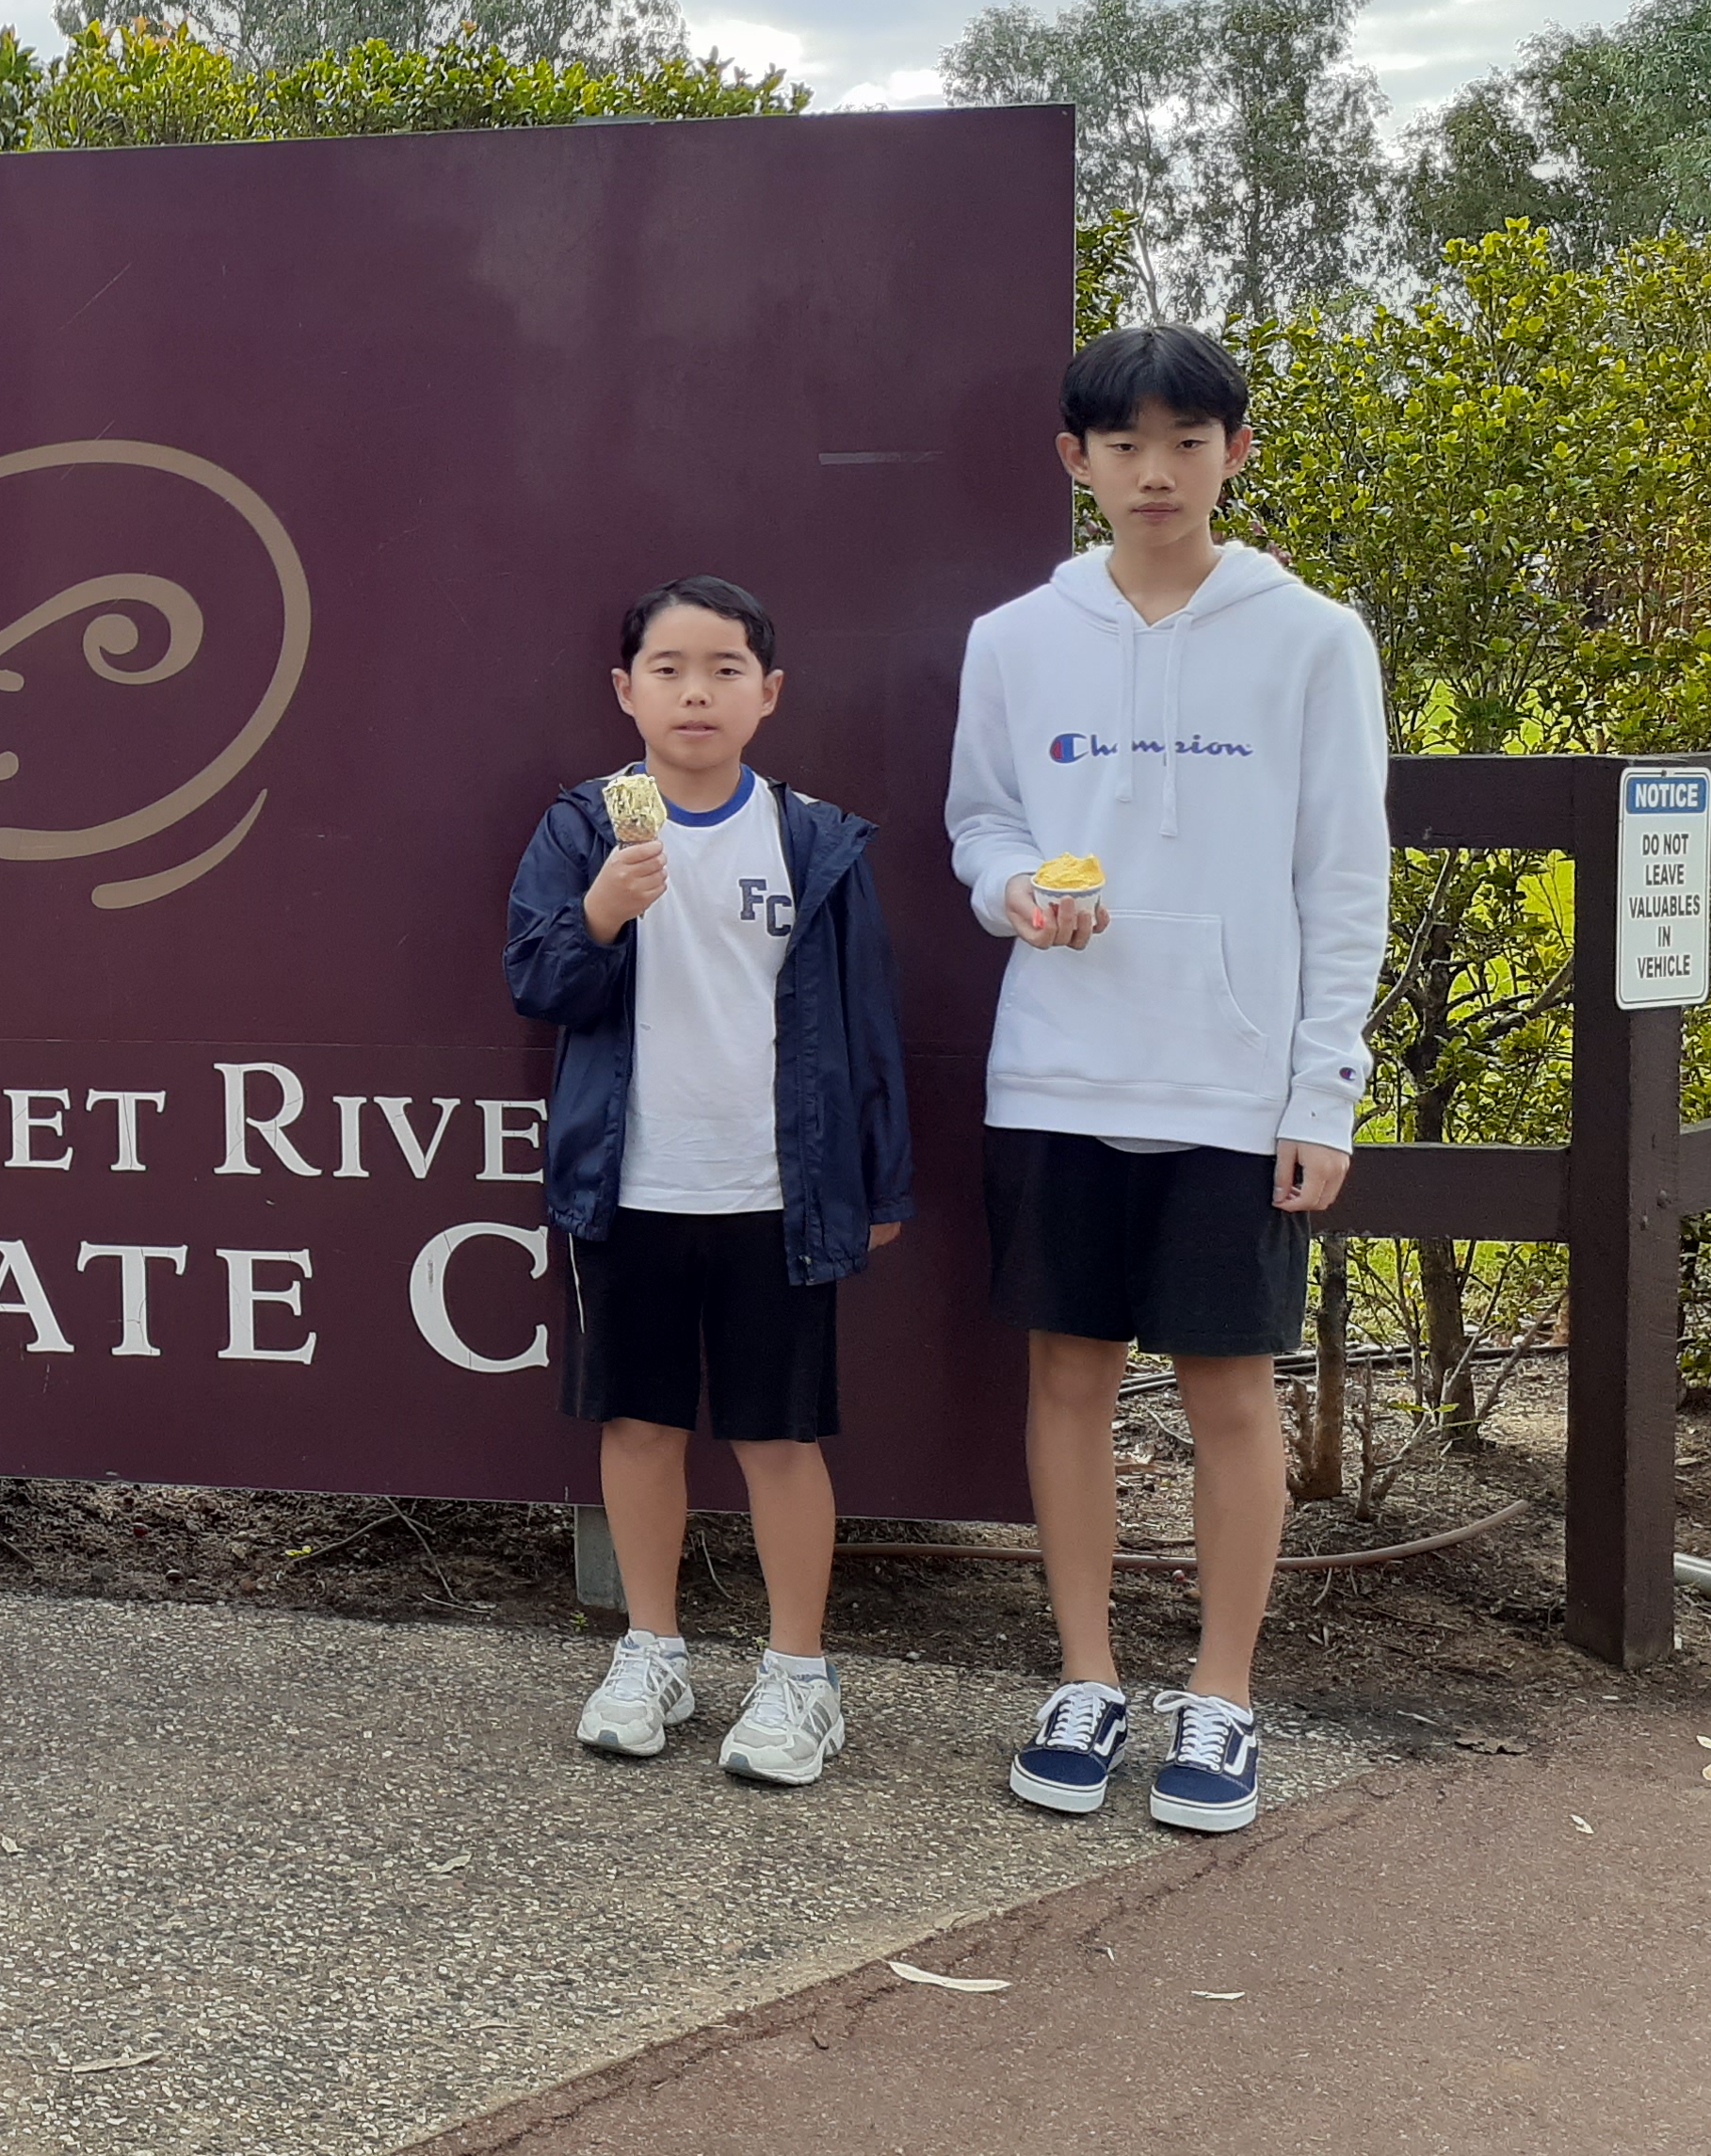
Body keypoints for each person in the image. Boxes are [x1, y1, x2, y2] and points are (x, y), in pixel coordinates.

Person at [948, 324, 1387, 1831]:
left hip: (1233, 1084)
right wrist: (1015, 891)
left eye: (1187, 442)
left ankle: (1223, 1697)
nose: (1156, 472)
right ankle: (1085, 1676)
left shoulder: (1312, 638)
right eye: (1125, 444)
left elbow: (1346, 878)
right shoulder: (1016, 638)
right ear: (1074, 460)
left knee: (1230, 1394)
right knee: (1067, 1380)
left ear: (1234, 453)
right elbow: (981, 823)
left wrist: (1323, 1092)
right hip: (1058, 1071)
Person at [506, 575, 913, 1787]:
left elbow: (866, 1019)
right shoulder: (584, 828)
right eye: (669, 669)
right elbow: (537, 984)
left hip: (774, 1190)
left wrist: (877, 1183)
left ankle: (800, 1675)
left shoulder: (809, 839)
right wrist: (600, 914)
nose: (697, 692)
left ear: (767, 694)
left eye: (725, 669)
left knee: (777, 1434)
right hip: (627, 1183)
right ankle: (652, 1650)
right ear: (625, 691)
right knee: (637, 1423)